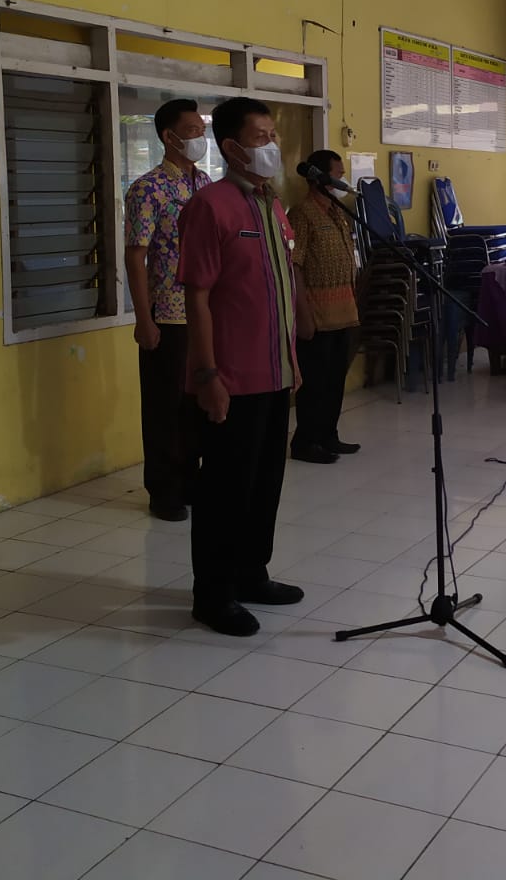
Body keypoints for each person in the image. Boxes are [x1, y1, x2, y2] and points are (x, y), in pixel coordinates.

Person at [177, 97, 311, 636]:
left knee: (265, 484)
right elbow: (197, 297)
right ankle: (213, 595)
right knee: (224, 491)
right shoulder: (210, 206)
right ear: (231, 147)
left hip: (275, 373)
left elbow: (278, 289)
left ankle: (252, 573)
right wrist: (207, 375)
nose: (272, 145)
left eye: (273, 135)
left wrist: (292, 361)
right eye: (261, 137)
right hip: (231, 379)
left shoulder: (272, 205)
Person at [124, 99, 210, 521]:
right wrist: (144, 319)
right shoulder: (149, 188)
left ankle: (192, 480)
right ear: (168, 137)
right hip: (168, 314)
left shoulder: (205, 184)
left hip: (203, 313)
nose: (200, 138)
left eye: (202, 130)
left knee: (196, 402)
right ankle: (164, 489)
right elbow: (135, 255)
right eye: (192, 131)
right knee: (165, 405)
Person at [288, 149, 360, 464]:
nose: (342, 179)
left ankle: (328, 435)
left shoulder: (336, 211)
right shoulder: (302, 213)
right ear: (318, 177)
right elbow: (295, 265)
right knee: (315, 383)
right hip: (317, 315)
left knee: (334, 380)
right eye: (337, 174)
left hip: (344, 312)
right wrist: (303, 315)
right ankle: (306, 442)